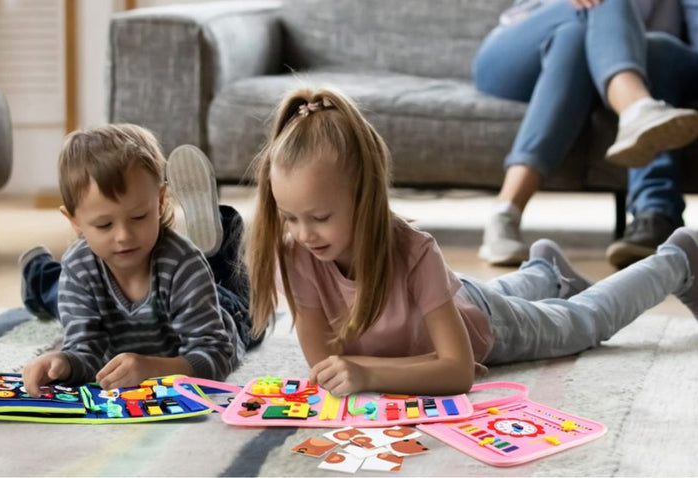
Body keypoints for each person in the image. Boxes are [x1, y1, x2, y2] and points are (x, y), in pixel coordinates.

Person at [246, 86, 698, 396]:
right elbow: (326, 365)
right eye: (290, 219)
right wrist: (360, 371)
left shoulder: (415, 251)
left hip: (482, 322)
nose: (304, 234)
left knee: (581, 323)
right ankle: (545, 272)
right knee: (469, 295)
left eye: (320, 218)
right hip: (442, 300)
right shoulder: (298, 253)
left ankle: (677, 259)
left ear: (365, 194)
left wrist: (368, 372)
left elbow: (457, 369)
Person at [18, 124, 259, 395]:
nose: (123, 236)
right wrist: (63, 363)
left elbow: (215, 355)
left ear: (159, 202)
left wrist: (153, 369)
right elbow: (86, 353)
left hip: (220, 314)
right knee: (57, 291)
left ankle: (225, 233)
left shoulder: (183, 263)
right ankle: (37, 271)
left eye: (138, 217)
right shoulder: (79, 267)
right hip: (170, 294)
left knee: (251, 312)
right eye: (104, 225)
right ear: (74, 221)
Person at [473, 0, 698, 267]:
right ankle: (635, 107)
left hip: (598, 56)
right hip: (521, 49)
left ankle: (505, 214)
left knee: (577, 37)